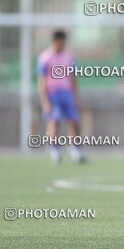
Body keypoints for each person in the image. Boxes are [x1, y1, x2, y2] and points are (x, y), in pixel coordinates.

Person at [37, 30, 84, 164]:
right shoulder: (45, 57)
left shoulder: (69, 57)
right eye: (60, 42)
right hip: (53, 93)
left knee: (73, 122)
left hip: (67, 93)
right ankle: (55, 151)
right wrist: (45, 100)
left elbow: (73, 78)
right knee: (54, 122)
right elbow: (41, 80)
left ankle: (76, 150)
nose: (62, 44)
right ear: (55, 41)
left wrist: (76, 96)